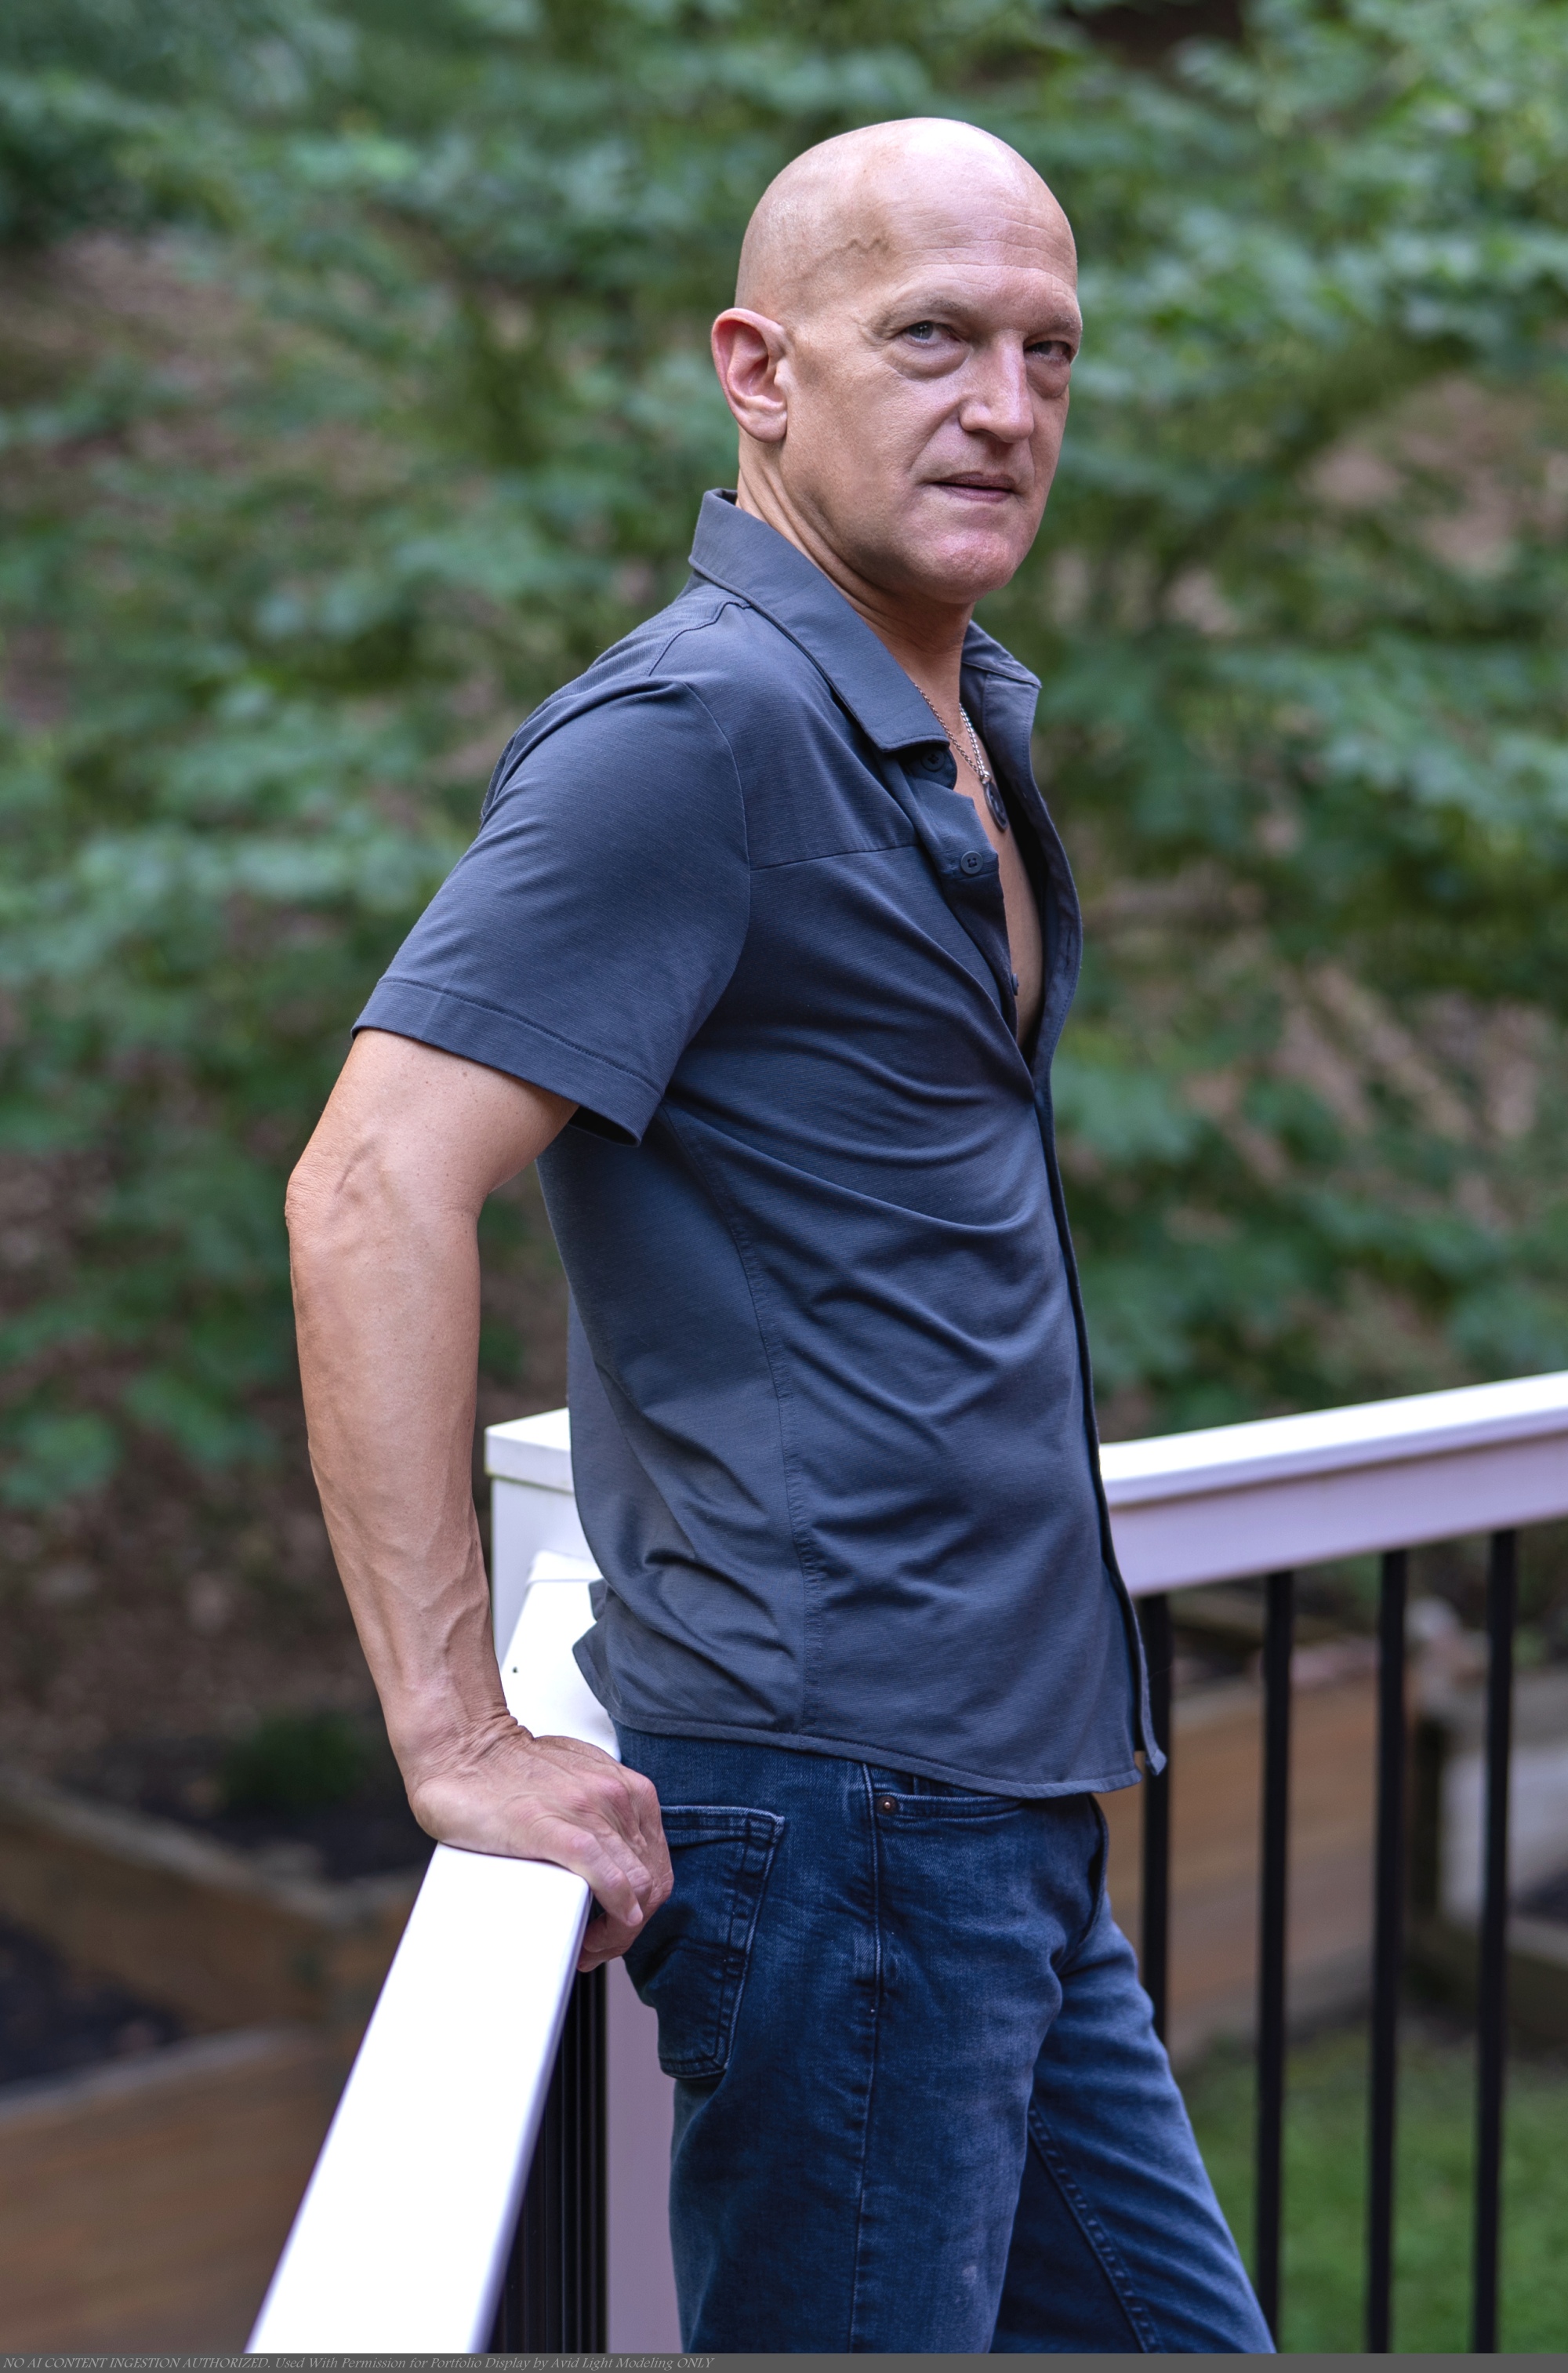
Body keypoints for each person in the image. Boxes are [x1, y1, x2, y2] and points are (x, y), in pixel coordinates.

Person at [286, 115, 1272, 2354]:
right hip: (844, 1812)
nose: (1004, 406)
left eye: (1047, 351)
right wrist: (453, 1730)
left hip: (994, 1803)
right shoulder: (697, 731)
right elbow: (368, 1182)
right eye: (931, 339)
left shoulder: (952, 710)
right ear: (758, 368)